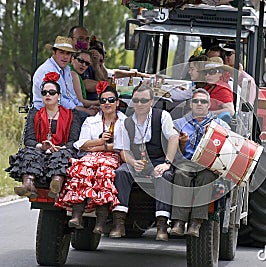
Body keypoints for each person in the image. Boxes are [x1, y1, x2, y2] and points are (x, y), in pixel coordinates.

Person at [55, 81, 126, 233]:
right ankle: (76, 215)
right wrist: (100, 142)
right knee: (81, 168)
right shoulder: (90, 120)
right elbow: (81, 144)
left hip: (112, 157)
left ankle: (100, 222)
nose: (107, 103)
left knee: (104, 172)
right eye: (103, 100)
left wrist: (99, 146)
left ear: (117, 102)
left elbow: (121, 146)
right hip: (90, 155)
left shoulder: (125, 122)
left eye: (111, 100)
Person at [111, 82, 179, 241]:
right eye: (136, 100)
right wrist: (133, 163)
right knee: (121, 172)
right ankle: (118, 223)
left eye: (143, 100)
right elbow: (124, 151)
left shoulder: (162, 116)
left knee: (164, 176)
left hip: (158, 160)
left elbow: (174, 138)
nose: (139, 104)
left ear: (151, 101)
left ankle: (162, 226)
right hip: (137, 161)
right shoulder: (126, 122)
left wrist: (166, 163)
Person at [7, 72, 81, 198]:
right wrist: (42, 146)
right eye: (44, 92)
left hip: (61, 150)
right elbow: (29, 140)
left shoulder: (72, 115)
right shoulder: (34, 114)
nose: (48, 95)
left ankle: (55, 184)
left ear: (58, 96)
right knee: (29, 153)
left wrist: (59, 148)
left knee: (63, 155)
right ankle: (28, 184)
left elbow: (74, 141)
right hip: (40, 150)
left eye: (51, 92)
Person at [170, 88, 230, 237]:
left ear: (209, 105)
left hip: (207, 164)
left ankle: (196, 223)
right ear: (190, 104)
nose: (199, 104)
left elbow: (229, 144)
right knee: (180, 174)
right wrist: (181, 143)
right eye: (195, 101)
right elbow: (171, 148)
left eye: (203, 102)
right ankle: (178, 221)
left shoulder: (219, 125)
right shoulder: (178, 124)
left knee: (206, 178)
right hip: (186, 161)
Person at [32, 36, 97, 119]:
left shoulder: (66, 70)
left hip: (63, 111)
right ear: (53, 53)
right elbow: (59, 100)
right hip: (45, 114)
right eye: (62, 52)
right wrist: (84, 110)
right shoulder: (47, 70)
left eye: (68, 53)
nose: (65, 57)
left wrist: (83, 108)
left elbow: (71, 96)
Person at [203, 57, 235, 122]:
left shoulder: (223, 89)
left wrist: (209, 114)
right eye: (205, 72)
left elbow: (230, 110)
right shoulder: (209, 87)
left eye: (212, 72)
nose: (207, 75)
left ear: (220, 73)